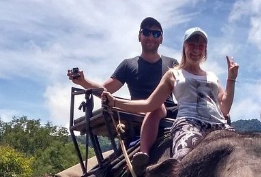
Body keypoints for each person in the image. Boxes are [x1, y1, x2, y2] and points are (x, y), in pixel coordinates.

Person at [101, 27, 238, 160]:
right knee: (185, 160)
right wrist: (115, 102)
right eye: (191, 44)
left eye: (201, 46)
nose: (196, 49)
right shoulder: (174, 74)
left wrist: (231, 79)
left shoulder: (212, 76)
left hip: (218, 123)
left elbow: (224, 109)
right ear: (184, 47)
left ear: (205, 50)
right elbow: (150, 104)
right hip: (189, 123)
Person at [68, 16, 178, 167]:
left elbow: (183, 90)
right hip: (141, 111)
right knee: (156, 107)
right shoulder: (128, 65)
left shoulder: (172, 64)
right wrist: (83, 81)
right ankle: (143, 154)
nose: (151, 37)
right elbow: (106, 89)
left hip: (171, 112)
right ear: (139, 36)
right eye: (146, 32)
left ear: (161, 39)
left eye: (156, 33)